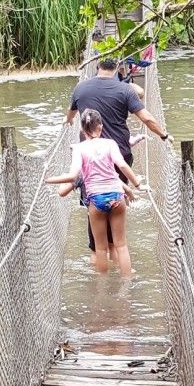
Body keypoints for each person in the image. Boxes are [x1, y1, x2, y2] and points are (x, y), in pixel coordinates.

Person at [66, 53, 168, 251]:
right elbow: (146, 118)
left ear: (97, 67)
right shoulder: (124, 89)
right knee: (116, 197)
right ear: (117, 70)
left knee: (93, 201)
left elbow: (70, 113)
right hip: (118, 152)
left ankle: (98, 251)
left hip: (89, 156)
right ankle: (116, 248)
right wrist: (163, 135)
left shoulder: (81, 88)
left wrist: (68, 121)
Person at [48, 108, 140, 275]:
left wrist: (48, 179)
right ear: (101, 127)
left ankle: (101, 288)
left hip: (96, 200)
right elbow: (123, 166)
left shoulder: (79, 149)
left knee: (100, 249)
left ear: (83, 130)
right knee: (121, 245)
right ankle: (127, 285)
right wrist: (137, 184)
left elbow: (73, 175)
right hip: (117, 196)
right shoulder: (110, 144)